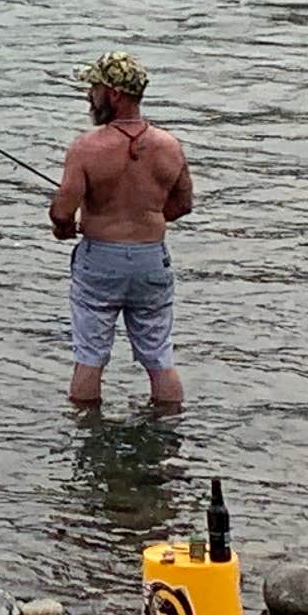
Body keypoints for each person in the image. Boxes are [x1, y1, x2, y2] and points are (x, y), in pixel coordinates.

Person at [50, 49, 194, 410]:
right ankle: (169, 432)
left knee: (90, 357)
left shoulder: (86, 148)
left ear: (114, 93)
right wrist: (143, 217)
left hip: (100, 260)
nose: (89, 96)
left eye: (94, 88)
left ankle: (86, 437)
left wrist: (68, 227)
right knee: (160, 357)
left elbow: (62, 210)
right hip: (151, 261)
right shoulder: (170, 147)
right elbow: (183, 204)